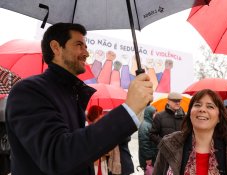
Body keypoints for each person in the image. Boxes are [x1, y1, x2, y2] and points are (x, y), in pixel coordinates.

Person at [5, 23, 153, 175]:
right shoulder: (29, 92)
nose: (86, 53)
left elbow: (77, 150)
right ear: (56, 47)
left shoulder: (71, 93)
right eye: (79, 45)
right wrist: (128, 111)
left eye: (86, 47)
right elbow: (57, 156)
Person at [153, 89, 227, 175]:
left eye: (210, 106)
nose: (202, 109)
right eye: (197, 105)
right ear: (190, 113)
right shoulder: (169, 144)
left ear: (219, 117)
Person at [138, 106, 158, 172]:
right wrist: (148, 157)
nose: (156, 115)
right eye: (154, 113)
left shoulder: (150, 123)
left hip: (152, 156)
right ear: (149, 114)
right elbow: (144, 144)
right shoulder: (145, 125)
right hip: (148, 158)